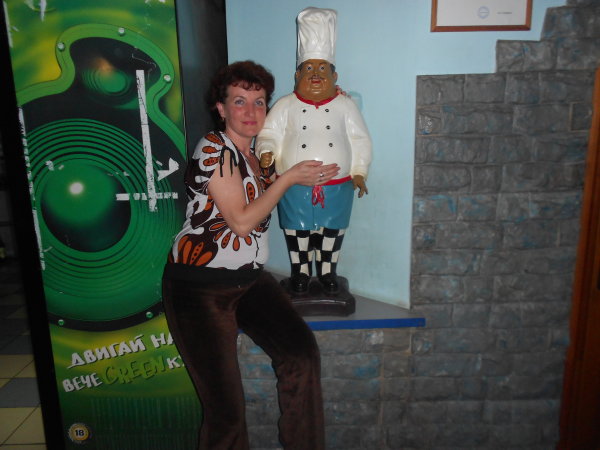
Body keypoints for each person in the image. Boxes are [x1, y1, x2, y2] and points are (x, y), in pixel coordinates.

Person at [161, 60, 337, 450]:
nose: (251, 111)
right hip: (200, 287)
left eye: (259, 102)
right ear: (221, 108)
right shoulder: (214, 148)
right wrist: (288, 179)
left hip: (249, 279)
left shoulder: (256, 157)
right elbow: (241, 222)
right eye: (239, 101)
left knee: (302, 356)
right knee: (225, 411)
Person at [257, 7, 372, 295]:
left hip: (337, 186)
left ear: (334, 75)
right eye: (309, 69)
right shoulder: (285, 105)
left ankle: (328, 272)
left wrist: (359, 171)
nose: (316, 75)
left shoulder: (346, 105)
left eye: (323, 69)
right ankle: (301, 274)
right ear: (297, 74)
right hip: (294, 186)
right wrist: (267, 152)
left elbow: (360, 139)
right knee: (298, 233)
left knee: (332, 232)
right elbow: (269, 134)